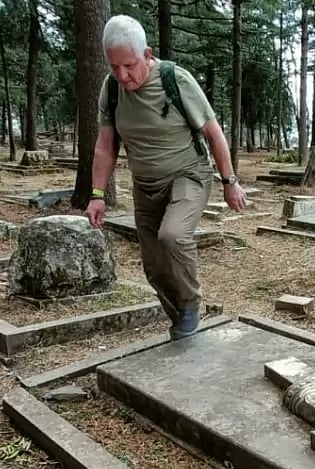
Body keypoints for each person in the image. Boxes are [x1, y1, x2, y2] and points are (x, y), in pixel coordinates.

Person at [84, 14, 247, 340]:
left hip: (189, 174)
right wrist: (97, 194)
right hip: (145, 185)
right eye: (114, 67)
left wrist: (230, 182)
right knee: (154, 266)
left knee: (172, 236)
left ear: (147, 54)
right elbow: (105, 145)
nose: (122, 75)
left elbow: (214, 134)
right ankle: (181, 319)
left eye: (129, 65)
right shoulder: (111, 89)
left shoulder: (177, 80)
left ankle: (190, 302)